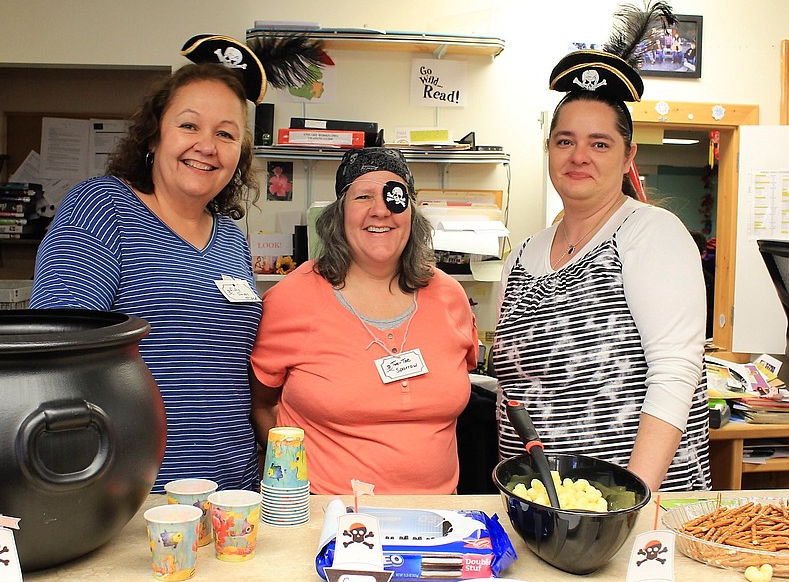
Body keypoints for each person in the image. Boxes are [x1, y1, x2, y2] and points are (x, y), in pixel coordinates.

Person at [29, 35, 270, 491]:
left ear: (239, 153)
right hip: (135, 493)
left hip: (235, 495)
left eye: (225, 133)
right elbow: (58, 351)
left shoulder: (232, 240)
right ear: (154, 135)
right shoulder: (101, 207)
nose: (207, 146)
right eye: (189, 126)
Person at [492, 42, 711, 492]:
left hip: (628, 507)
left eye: (600, 143)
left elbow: (674, 375)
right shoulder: (520, 257)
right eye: (565, 141)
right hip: (539, 504)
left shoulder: (650, 234)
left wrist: (628, 502)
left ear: (628, 157)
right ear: (548, 148)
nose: (579, 156)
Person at [250, 147, 478, 495]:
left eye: (394, 196)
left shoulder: (450, 297)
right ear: (339, 213)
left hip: (438, 521)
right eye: (363, 196)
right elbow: (262, 403)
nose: (380, 210)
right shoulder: (292, 298)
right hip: (326, 518)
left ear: (412, 214)